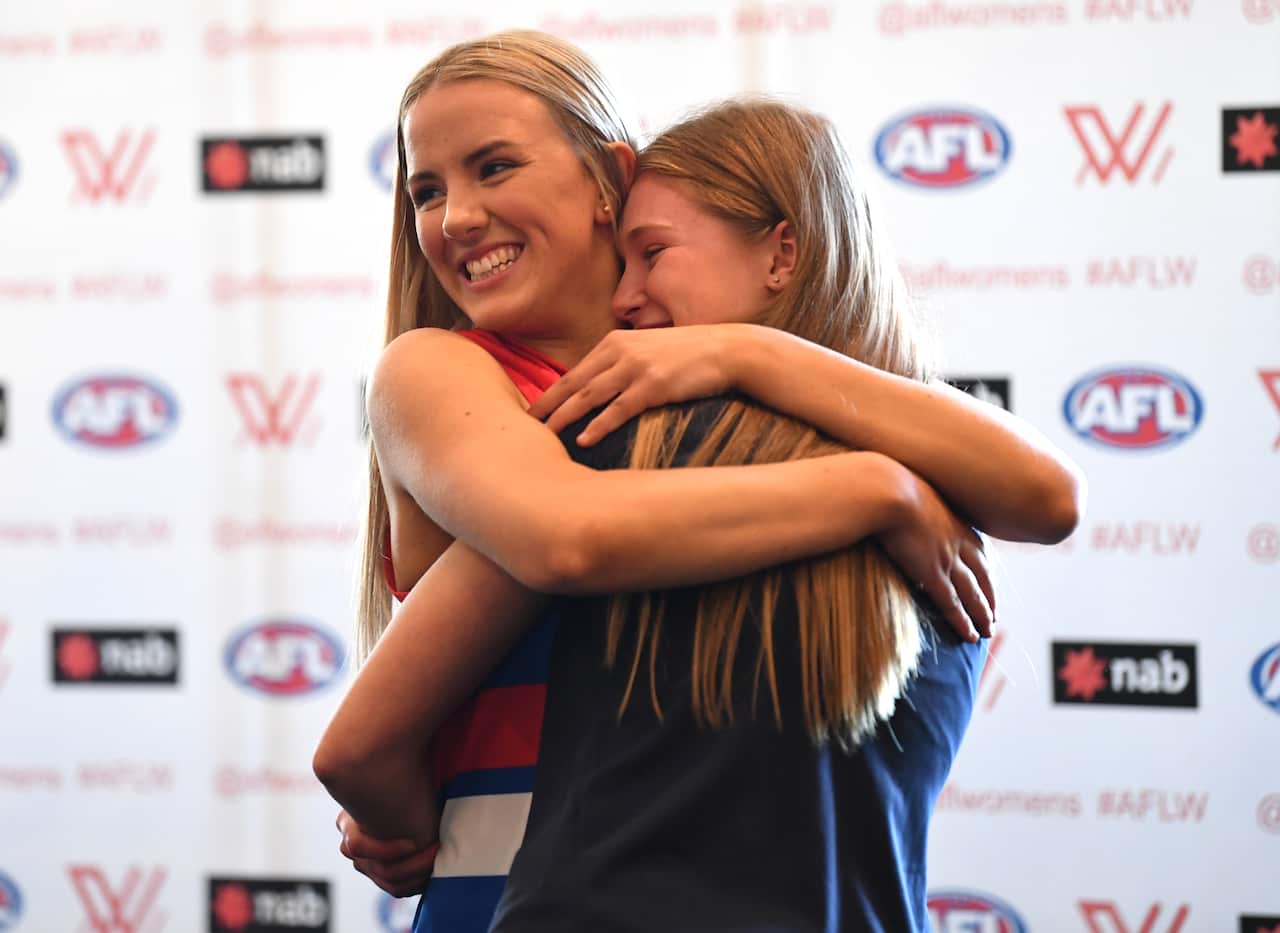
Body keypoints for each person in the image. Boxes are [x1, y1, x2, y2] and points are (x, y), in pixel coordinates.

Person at [313, 31, 1082, 933]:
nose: (457, 218)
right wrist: (882, 491)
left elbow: (1048, 495)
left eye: (494, 167)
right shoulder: (454, 379)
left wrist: (743, 352)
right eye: (426, 191)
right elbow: (561, 536)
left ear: (609, 177)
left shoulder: (714, 413)